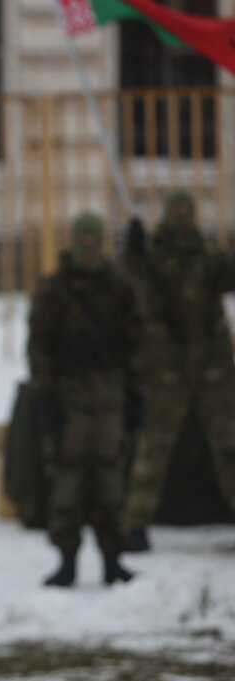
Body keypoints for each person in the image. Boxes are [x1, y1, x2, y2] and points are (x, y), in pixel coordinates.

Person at [28, 213, 142, 588]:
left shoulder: (119, 287)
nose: (90, 249)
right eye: (85, 241)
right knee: (67, 483)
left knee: (111, 480)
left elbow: (137, 343)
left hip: (110, 398)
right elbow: (39, 347)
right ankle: (67, 561)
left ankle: (113, 559)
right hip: (69, 400)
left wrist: (135, 392)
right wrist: (46, 395)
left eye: (97, 241)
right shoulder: (54, 290)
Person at [122, 190, 235, 552]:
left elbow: (228, 276)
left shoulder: (208, 257)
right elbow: (134, 279)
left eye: (189, 213)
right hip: (169, 369)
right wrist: (134, 248)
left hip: (212, 367)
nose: (184, 220)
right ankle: (135, 523)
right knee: (154, 446)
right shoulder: (154, 258)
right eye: (178, 213)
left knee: (230, 445)